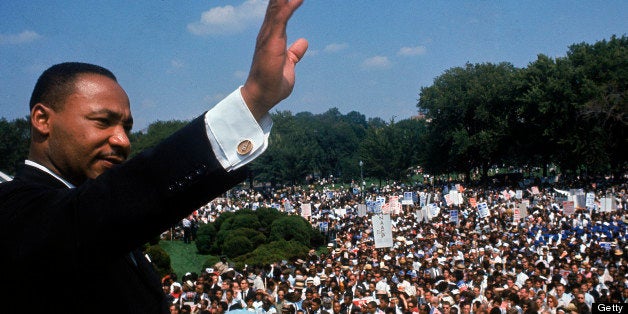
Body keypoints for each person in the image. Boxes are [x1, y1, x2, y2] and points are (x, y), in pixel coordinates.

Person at [0, 0, 308, 313]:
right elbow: (112, 203)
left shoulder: (107, 229)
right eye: (102, 121)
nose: (122, 140)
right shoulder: (15, 212)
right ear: (42, 120)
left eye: (127, 127)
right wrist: (253, 100)